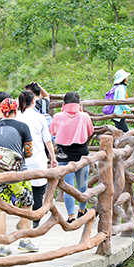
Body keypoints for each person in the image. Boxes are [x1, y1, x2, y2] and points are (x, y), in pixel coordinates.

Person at [0, 98, 38, 257]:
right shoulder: (22, 126)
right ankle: (24, 240)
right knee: (27, 204)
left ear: (2, 110)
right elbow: (28, 152)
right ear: (15, 111)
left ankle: (3, 245)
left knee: (0, 208)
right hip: (18, 173)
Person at [49, 92, 94, 223]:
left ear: (64, 104)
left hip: (64, 154)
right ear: (79, 104)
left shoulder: (58, 116)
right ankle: (82, 210)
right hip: (82, 153)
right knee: (82, 184)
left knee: (68, 187)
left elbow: (52, 132)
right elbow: (90, 131)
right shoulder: (84, 116)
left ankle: (70, 216)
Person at [17, 90, 58, 228]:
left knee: (22, 189)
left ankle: (24, 217)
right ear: (33, 101)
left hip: (21, 159)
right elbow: (47, 140)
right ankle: (35, 220)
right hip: (38, 157)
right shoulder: (40, 117)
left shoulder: (17, 117)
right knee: (38, 191)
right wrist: (52, 157)